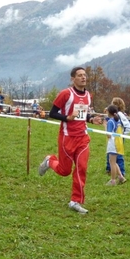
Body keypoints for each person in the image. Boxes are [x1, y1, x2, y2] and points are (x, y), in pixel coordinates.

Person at [38, 66, 102, 214]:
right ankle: (49, 161)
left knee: (82, 168)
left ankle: (75, 201)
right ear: (73, 79)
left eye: (84, 75)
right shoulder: (65, 94)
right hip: (67, 137)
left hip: (83, 138)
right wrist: (67, 118)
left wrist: (91, 119)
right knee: (64, 171)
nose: (83, 77)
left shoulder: (88, 96)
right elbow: (52, 113)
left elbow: (81, 115)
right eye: (79, 75)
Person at [105, 97, 130, 176]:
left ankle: (121, 172)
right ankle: (109, 169)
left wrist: (122, 135)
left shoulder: (120, 115)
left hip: (118, 138)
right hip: (112, 138)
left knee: (118, 155)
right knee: (110, 153)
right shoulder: (114, 115)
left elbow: (128, 127)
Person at [105, 104, 126, 186]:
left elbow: (108, 135)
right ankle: (121, 177)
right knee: (114, 161)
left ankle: (113, 180)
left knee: (112, 163)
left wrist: (105, 127)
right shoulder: (118, 120)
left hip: (113, 143)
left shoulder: (110, 121)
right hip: (118, 143)